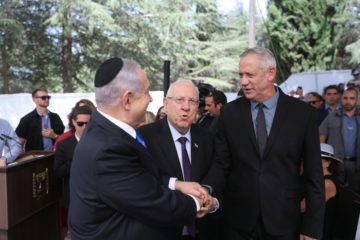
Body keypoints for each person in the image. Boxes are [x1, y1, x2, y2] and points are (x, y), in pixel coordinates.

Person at [69, 57, 212, 240]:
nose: (151, 99)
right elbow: (155, 203)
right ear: (127, 99)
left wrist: (176, 184)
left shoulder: (104, 130)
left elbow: (138, 178)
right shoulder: (108, 149)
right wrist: (197, 202)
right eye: (146, 92)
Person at [203, 47, 325, 240]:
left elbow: (314, 175)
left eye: (249, 75)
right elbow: (221, 163)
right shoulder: (229, 113)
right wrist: (206, 189)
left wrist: (312, 228)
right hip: (238, 223)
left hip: (285, 222)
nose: (243, 81)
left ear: (271, 73)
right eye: (241, 75)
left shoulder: (303, 114)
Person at [138, 80, 218, 240]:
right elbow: (143, 180)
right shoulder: (144, 137)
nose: (186, 107)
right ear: (166, 104)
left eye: (193, 101)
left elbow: (216, 175)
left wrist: (212, 201)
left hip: (202, 229)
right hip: (160, 231)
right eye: (180, 100)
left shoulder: (207, 138)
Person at [54, 106, 92, 239]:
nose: (85, 127)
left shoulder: (100, 141)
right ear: (73, 122)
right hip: (74, 197)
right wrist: (76, 159)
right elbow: (58, 171)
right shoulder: (63, 145)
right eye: (81, 124)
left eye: (88, 123)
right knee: (74, 234)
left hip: (98, 195)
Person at [319, 87, 360, 194]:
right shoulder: (332, 116)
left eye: (352, 98)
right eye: (345, 98)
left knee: (356, 195)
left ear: (357, 99)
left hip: (357, 163)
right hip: (336, 162)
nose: (348, 101)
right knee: (337, 193)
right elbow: (321, 137)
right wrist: (324, 160)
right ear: (341, 99)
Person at [301, 143, 342, 240]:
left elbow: (304, 207)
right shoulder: (317, 179)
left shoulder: (327, 183)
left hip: (318, 232)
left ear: (328, 163)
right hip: (311, 226)